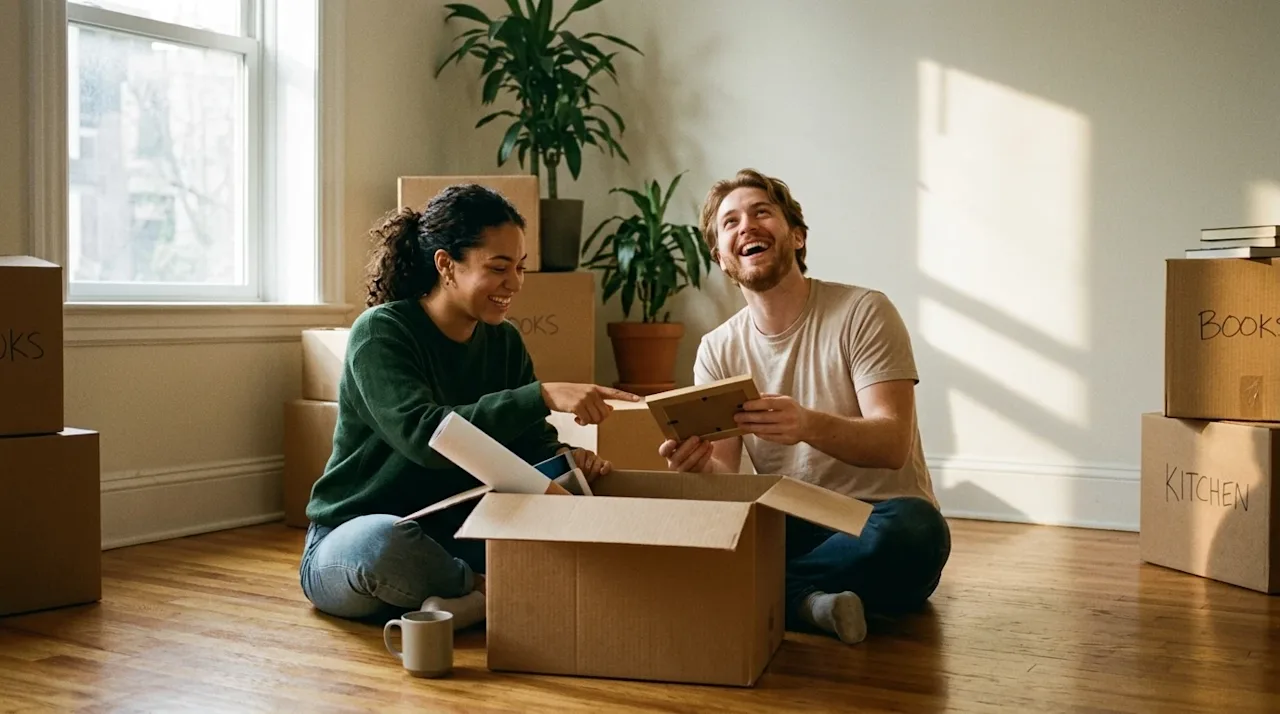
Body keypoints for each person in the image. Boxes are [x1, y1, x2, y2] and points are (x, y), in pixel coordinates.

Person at [300, 183, 638, 626]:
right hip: (354, 541)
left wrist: (568, 460)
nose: (514, 283)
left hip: (459, 536)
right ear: (446, 265)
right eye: (499, 267)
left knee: (581, 504)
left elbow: (530, 445)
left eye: (519, 267)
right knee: (379, 546)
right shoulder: (380, 333)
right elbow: (426, 437)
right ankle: (482, 590)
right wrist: (539, 395)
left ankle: (456, 599)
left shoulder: (504, 341)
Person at [658, 169, 951, 645]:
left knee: (918, 532)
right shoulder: (717, 349)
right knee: (703, 530)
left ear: (796, 236)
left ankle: (771, 595)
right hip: (789, 522)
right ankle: (809, 603)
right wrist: (697, 468)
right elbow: (728, 477)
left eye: (761, 213)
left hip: (876, 521)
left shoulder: (864, 312)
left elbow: (892, 443)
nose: (746, 226)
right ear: (721, 258)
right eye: (730, 223)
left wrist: (807, 424)